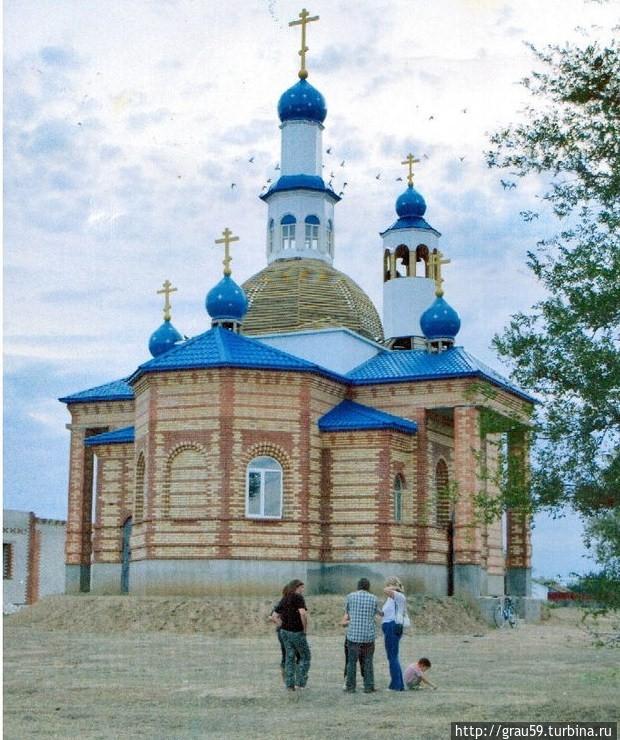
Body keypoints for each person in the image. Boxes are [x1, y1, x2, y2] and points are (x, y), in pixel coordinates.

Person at [342, 577, 383, 693]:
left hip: (353, 635)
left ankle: (350, 687)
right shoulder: (374, 598)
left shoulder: (350, 596)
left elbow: (347, 612)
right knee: (368, 661)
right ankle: (368, 686)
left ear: (358, 586)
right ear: (368, 587)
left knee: (351, 662)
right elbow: (380, 613)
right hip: (368, 636)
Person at [274, 579, 311, 692]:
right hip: (296, 631)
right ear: (296, 587)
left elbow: (274, 615)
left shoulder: (285, 598)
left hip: (284, 632)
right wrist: (304, 629)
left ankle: (289, 685)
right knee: (305, 656)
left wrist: (282, 624)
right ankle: (300, 684)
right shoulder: (298, 597)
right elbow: (303, 614)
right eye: (301, 587)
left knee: (289, 658)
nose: (303, 590)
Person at [270, 583, 301, 683]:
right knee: (288, 654)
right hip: (286, 632)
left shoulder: (288, 601)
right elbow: (271, 616)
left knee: (291, 654)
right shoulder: (283, 602)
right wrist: (281, 624)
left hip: (290, 631)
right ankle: (288, 679)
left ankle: (290, 679)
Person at [381, 576, 407, 691]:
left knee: (392, 656)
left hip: (393, 626)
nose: (386, 587)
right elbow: (384, 613)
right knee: (392, 656)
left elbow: (385, 590)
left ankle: (396, 685)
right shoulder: (390, 599)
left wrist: (395, 587)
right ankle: (398, 683)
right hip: (388, 626)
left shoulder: (398, 596)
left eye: (388, 585)